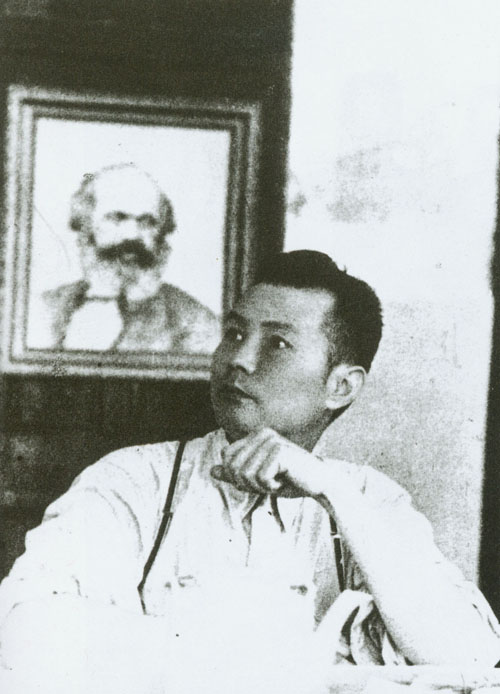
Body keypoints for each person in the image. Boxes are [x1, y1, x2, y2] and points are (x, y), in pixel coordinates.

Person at [1, 251, 499, 694]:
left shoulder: (368, 499)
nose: (238, 359)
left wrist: (331, 490)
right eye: (235, 334)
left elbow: (471, 658)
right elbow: (25, 632)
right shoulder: (132, 480)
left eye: (277, 343)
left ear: (341, 387)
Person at [33, 163, 219, 353]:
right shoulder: (42, 310)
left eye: (147, 222)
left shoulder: (196, 323)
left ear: (161, 236)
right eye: (117, 218)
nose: (132, 235)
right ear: (86, 228)